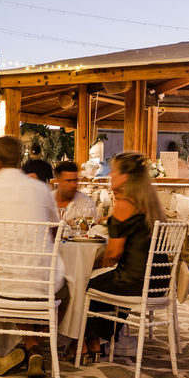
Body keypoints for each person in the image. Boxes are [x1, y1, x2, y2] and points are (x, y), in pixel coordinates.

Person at [0, 135, 65, 378]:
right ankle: (34, 346)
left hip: (3, 282)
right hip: (42, 282)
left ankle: (29, 347)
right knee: (64, 289)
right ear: (20, 160)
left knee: (14, 280)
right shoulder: (41, 189)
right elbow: (55, 230)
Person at [78, 151, 167, 361]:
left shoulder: (125, 204)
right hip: (157, 280)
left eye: (114, 171)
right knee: (104, 281)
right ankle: (97, 341)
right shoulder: (148, 203)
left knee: (83, 284)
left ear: (126, 176)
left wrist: (93, 265)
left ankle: (81, 343)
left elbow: (113, 254)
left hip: (136, 281)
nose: (110, 175)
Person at [53, 161, 96, 226]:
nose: (73, 185)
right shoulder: (46, 200)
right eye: (69, 181)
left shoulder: (86, 205)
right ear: (57, 181)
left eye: (75, 180)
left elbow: (90, 230)